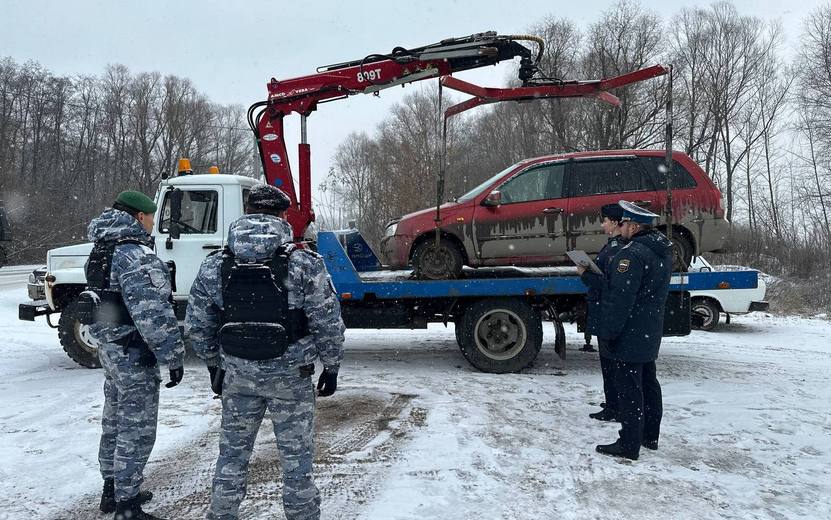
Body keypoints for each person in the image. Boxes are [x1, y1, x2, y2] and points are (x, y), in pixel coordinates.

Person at [185, 184, 345, 520]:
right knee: (297, 460)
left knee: (231, 456)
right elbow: (327, 320)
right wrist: (331, 366)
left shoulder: (216, 263)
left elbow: (197, 326)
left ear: (248, 212)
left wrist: (215, 364)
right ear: (284, 215)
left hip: (237, 375)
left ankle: (222, 514)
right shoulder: (304, 263)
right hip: (291, 377)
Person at [85, 190, 186, 520]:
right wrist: (172, 355)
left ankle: (112, 489)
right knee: (137, 428)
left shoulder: (101, 249)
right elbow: (152, 314)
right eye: (150, 217)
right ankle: (127, 505)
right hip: (134, 353)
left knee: (113, 421)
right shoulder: (135, 255)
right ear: (139, 217)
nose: (152, 223)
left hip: (111, 350)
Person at [594, 200, 672, 461]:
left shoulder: (631, 255)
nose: (622, 227)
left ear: (634, 226)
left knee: (629, 388)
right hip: (649, 329)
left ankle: (628, 443)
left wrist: (610, 333)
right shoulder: (663, 249)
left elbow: (620, 299)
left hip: (631, 331)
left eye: (625, 223)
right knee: (648, 383)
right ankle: (650, 435)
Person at [578, 203, 626, 422]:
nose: (602, 224)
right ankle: (614, 403)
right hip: (603, 309)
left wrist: (585, 274)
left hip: (606, 310)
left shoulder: (617, 249)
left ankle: (615, 407)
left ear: (615, 222)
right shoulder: (614, 246)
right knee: (608, 362)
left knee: (610, 362)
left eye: (605, 220)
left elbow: (609, 284)